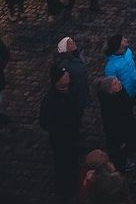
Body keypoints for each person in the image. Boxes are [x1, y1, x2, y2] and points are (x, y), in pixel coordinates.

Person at [39, 63, 82, 191]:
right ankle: (62, 184)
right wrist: (59, 131)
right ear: (57, 81)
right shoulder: (50, 100)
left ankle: (71, 174)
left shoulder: (71, 90)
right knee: (62, 160)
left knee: (73, 156)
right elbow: (45, 122)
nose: (67, 75)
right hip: (61, 138)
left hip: (73, 132)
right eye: (64, 75)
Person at [97, 75, 136, 173]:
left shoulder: (121, 92)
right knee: (121, 152)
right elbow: (112, 127)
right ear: (110, 90)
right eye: (115, 83)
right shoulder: (109, 107)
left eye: (118, 81)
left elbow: (127, 104)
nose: (119, 83)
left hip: (128, 124)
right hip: (120, 133)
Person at [55, 36, 90, 118]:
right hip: (74, 93)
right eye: (70, 43)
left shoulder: (77, 56)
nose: (74, 43)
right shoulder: (63, 64)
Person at [104, 35, 136, 101]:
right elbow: (112, 87)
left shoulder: (128, 51)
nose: (126, 40)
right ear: (118, 45)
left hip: (135, 89)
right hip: (125, 97)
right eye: (122, 40)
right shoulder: (110, 67)